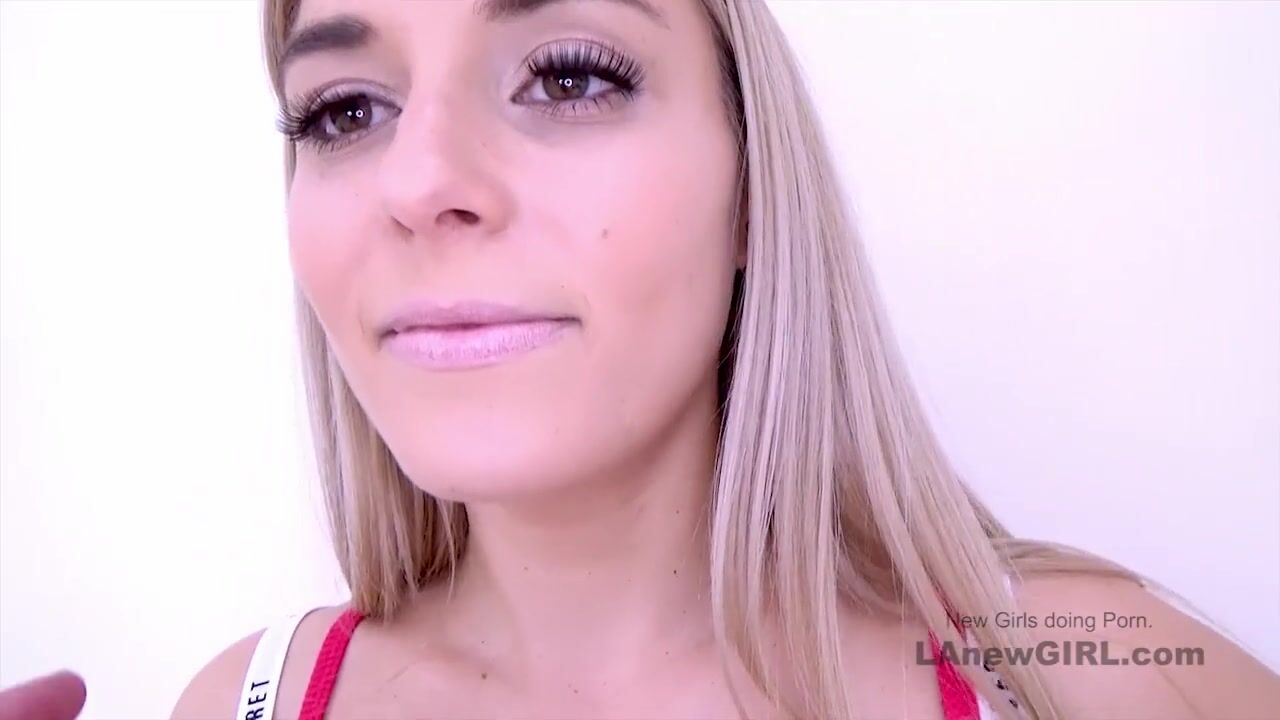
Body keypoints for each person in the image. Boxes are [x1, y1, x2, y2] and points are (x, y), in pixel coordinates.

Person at [144, 0, 1276, 718]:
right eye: (344, 111)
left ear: (749, 188)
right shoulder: (244, 703)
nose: (417, 180)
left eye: (569, 76)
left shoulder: (1087, 674)